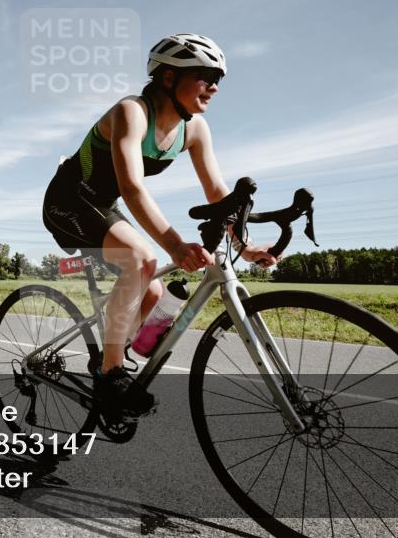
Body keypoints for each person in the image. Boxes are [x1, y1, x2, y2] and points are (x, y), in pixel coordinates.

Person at [42, 33, 279, 417]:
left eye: (219, 78)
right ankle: (109, 374)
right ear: (169, 77)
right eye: (205, 76)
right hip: (68, 200)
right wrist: (175, 245)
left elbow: (217, 194)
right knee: (141, 258)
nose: (215, 87)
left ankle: (112, 352)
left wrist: (244, 247)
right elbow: (132, 188)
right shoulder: (131, 112)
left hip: (103, 206)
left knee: (152, 295)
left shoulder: (195, 129)